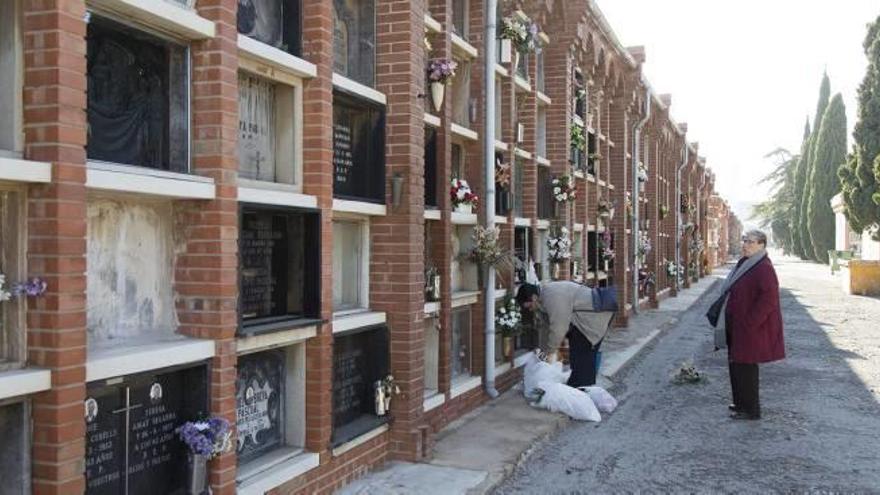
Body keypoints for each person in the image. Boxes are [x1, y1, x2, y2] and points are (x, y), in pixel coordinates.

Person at [707, 229, 785, 420]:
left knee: (747, 367)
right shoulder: (746, 263)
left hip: (750, 327)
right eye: (745, 241)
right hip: (736, 323)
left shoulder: (764, 267)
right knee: (735, 364)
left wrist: (751, 322)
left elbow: (769, 299)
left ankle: (750, 409)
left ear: (762, 245)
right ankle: (739, 402)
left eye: (751, 242)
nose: (745, 245)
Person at [516, 281, 616, 387]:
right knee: (580, 360)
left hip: (592, 320)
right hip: (583, 321)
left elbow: (558, 328)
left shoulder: (552, 296)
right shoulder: (543, 299)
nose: (530, 309)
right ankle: (582, 389)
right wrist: (543, 352)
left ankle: (580, 392)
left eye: (529, 306)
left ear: (534, 297)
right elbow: (547, 328)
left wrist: (550, 352)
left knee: (582, 361)